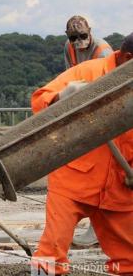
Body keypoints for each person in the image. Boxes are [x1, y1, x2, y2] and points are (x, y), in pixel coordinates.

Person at [31, 33, 133, 275]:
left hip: (120, 186)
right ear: (128, 58)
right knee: (50, 255)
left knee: (129, 259)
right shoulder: (87, 73)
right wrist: (61, 97)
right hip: (73, 181)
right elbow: (38, 101)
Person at [64, 15, 114, 247]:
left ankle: (100, 228)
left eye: (82, 36)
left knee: (107, 175)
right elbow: (68, 80)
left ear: (90, 32)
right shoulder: (70, 48)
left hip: (108, 113)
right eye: (73, 38)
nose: (78, 42)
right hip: (87, 113)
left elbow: (109, 91)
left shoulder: (103, 51)